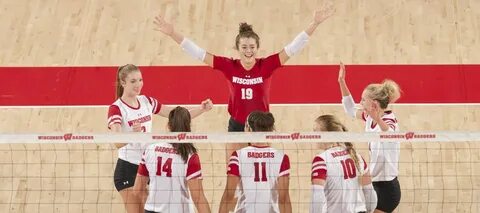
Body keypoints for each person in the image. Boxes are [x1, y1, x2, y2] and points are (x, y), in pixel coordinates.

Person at [153, 5, 334, 132]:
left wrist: (314, 24)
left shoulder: (266, 65)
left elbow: (293, 47)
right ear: (237, 49)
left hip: (262, 125)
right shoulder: (229, 66)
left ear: (257, 48)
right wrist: (172, 34)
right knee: (233, 174)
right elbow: (198, 53)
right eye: (244, 47)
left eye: (252, 47)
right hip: (237, 125)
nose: (248, 51)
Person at [107, 64, 212, 213]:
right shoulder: (116, 108)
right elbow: (116, 142)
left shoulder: (146, 101)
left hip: (147, 166)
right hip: (128, 168)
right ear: (123, 83)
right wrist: (131, 134)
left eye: (140, 80)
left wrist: (201, 109)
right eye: (133, 81)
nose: (138, 85)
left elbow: (176, 115)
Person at [338, 63, 401, 212]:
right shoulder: (369, 118)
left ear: (374, 104)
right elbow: (350, 109)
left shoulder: (390, 121)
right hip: (374, 184)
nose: (360, 103)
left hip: (387, 189)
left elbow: (390, 134)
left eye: (363, 100)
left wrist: (378, 119)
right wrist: (341, 81)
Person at [133, 106, 211, 213]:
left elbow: (137, 191)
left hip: (151, 210)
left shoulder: (150, 150)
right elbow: (198, 198)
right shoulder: (189, 156)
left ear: (169, 125)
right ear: (188, 126)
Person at [219, 111, 291, 213]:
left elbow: (229, 196)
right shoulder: (282, 158)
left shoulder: (238, 156)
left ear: (248, 128)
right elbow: (284, 200)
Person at [310, 115, 377, 213]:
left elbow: (317, 198)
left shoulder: (321, 160)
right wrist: (369, 210)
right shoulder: (357, 157)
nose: (312, 134)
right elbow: (371, 196)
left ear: (327, 135)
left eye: (315, 131)